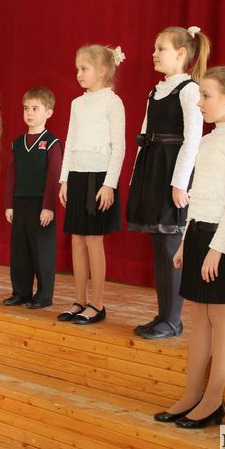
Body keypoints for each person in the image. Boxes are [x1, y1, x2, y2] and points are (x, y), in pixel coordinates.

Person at [154, 66, 225, 428]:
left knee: (220, 317)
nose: (200, 103)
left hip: (222, 240)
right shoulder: (210, 140)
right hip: (199, 235)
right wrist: (186, 242)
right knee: (199, 318)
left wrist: (216, 249)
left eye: (206, 96)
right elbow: (198, 198)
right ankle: (191, 393)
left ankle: (213, 400)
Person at [126, 26, 209, 340]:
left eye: (161, 48)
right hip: (153, 170)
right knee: (159, 246)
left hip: (172, 172)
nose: (154, 54)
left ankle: (173, 319)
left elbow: (193, 139)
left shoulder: (189, 90)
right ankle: (163, 315)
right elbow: (144, 136)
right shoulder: (156, 91)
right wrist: (136, 177)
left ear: (181, 53)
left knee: (171, 245)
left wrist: (180, 183)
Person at [57, 44, 126, 325]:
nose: (79, 73)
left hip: (99, 178)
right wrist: (64, 179)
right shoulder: (77, 103)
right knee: (76, 239)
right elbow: (70, 140)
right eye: (77, 69)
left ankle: (97, 304)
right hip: (77, 175)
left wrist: (109, 184)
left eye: (84, 68)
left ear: (102, 70)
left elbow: (119, 146)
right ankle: (79, 299)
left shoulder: (113, 102)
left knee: (93, 240)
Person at [2, 87, 62, 309]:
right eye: (26, 108)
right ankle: (21, 292)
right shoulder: (18, 143)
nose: (29, 113)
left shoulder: (52, 142)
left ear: (49, 112)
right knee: (20, 250)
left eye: (35, 108)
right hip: (20, 202)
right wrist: (9, 204)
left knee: (41, 251)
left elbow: (54, 176)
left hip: (41, 205)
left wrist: (48, 206)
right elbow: (12, 175)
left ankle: (44, 295)